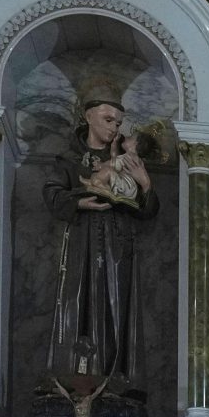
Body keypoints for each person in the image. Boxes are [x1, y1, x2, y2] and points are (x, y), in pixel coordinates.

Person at [41, 97, 159, 390]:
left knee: (117, 309)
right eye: (108, 120)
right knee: (77, 305)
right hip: (82, 243)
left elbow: (147, 209)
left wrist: (145, 185)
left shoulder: (126, 158)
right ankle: (74, 381)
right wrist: (81, 201)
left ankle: (116, 379)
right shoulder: (69, 159)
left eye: (118, 122)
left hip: (118, 247)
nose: (114, 126)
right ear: (88, 117)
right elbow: (52, 194)